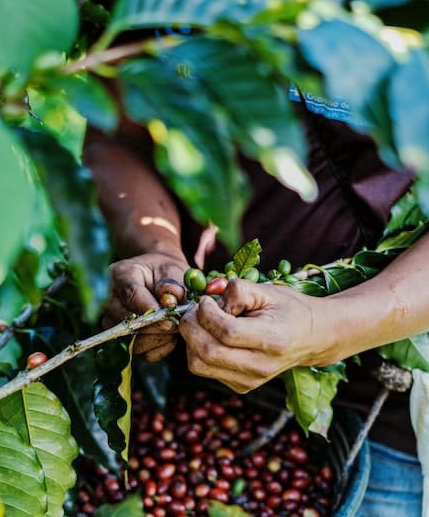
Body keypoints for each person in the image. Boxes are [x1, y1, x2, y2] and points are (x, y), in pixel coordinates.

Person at [83, 80, 427, 514]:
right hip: (189, 373)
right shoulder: (156, 10)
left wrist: (328, 329)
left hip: (390, 419)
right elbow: (115, 130)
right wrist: (155, 246)